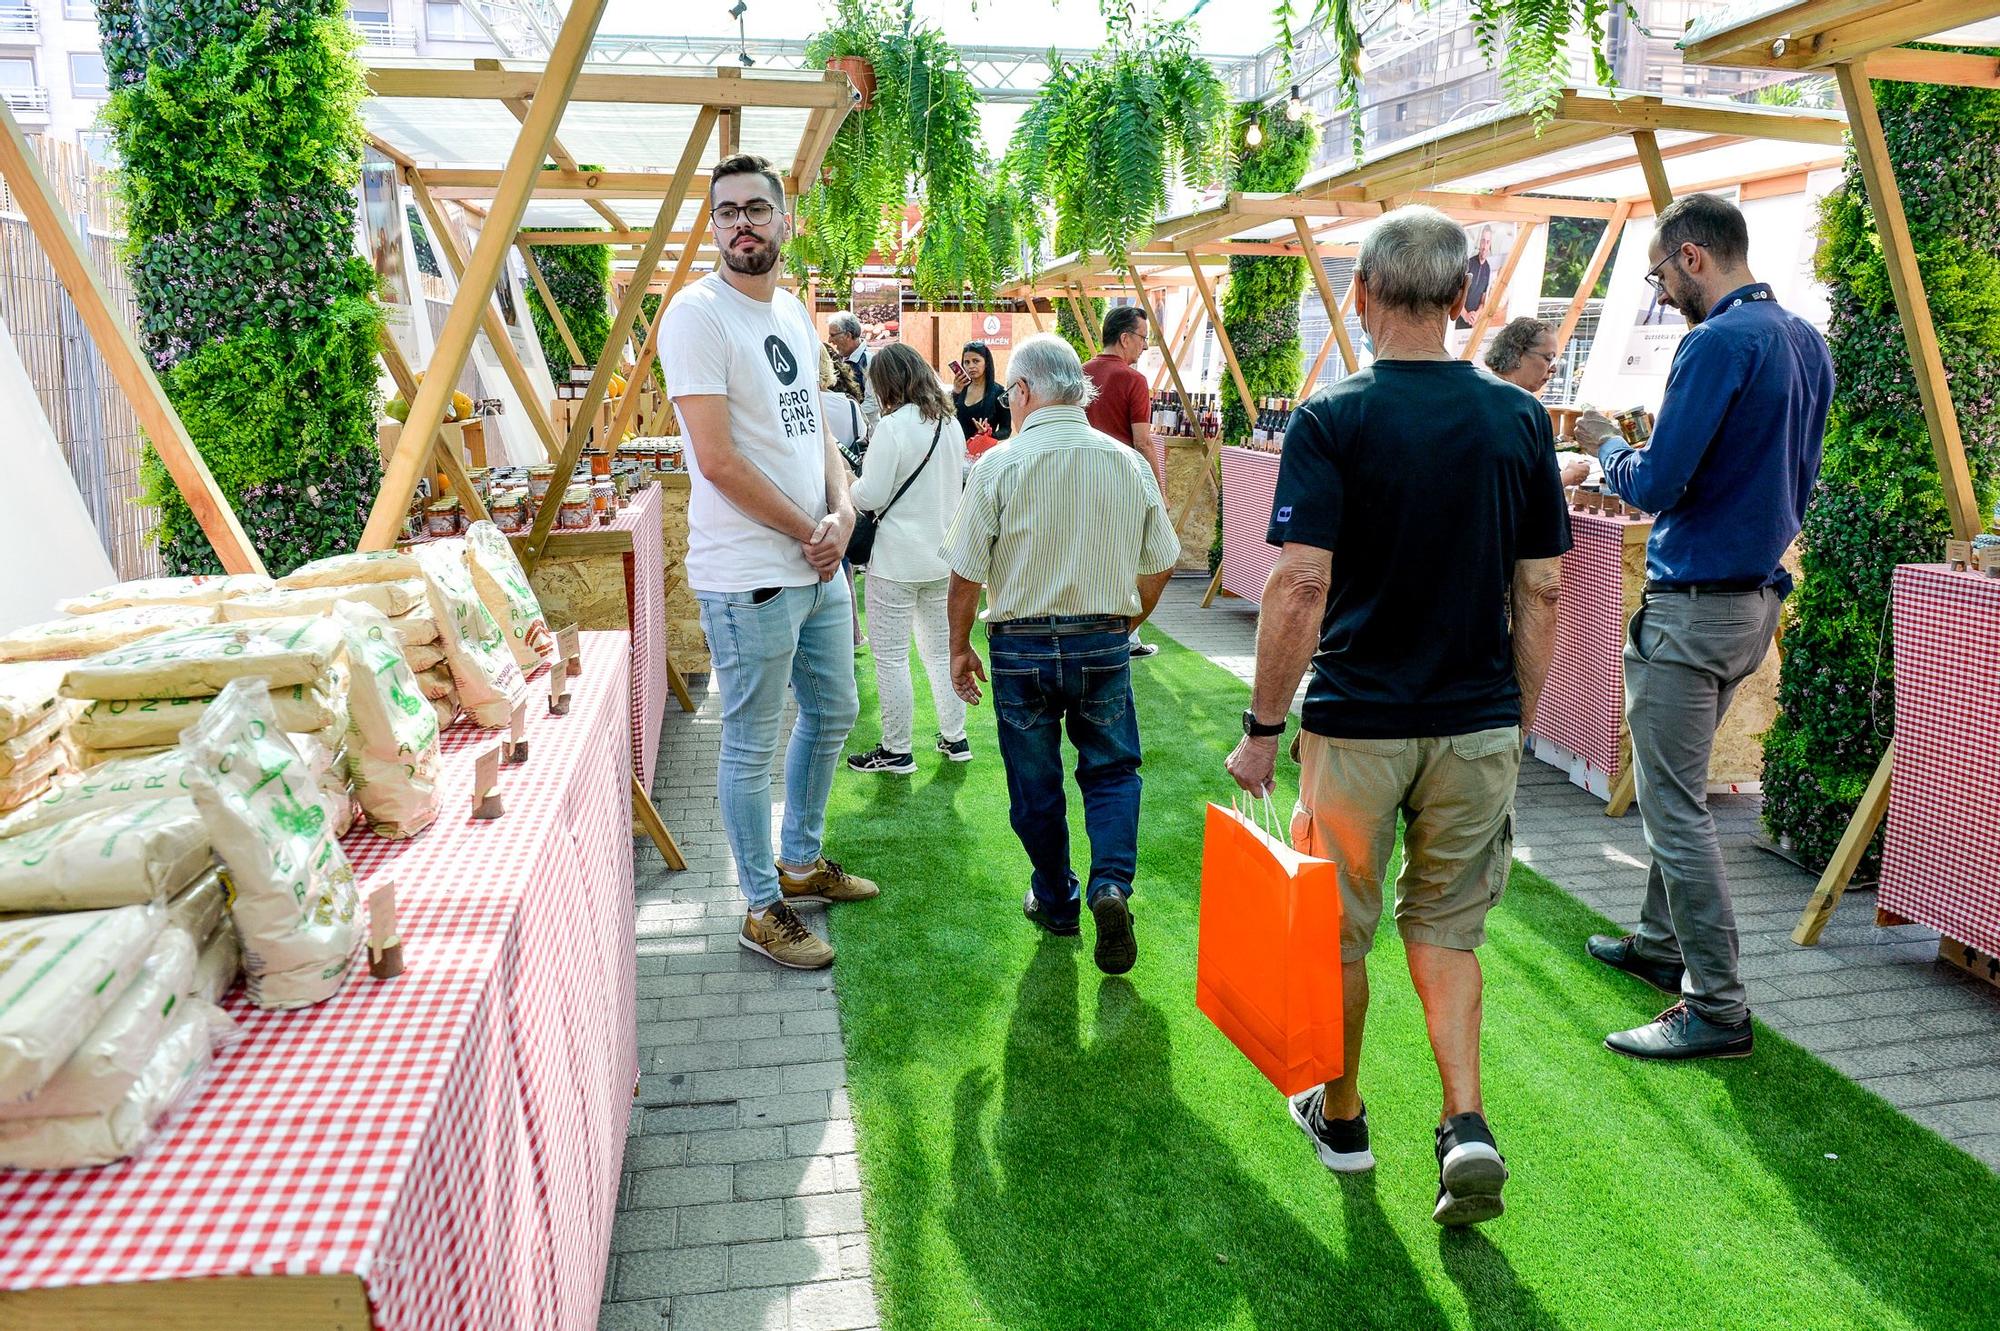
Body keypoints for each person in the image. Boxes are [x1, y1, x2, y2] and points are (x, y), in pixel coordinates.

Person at [1225, 205, 1569, 1228]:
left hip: (1356, 721)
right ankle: (1462, 1120)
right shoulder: (1517, 419)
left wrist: (1258, 725)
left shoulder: (1332, 417)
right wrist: (1517, 718)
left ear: (1362, 297)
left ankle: (1342, 1117)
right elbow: (1542, 589)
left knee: (1337, 935)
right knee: (1447, 931)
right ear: (1463, 299)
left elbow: (1297, 587)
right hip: (1474, 721)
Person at [1580, 193, 1832, 1061]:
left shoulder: (1717, 340)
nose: (1659, 295)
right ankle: (1659, 946)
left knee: (1676, 807)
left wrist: (1606, 444)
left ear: (1692, 257)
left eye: (1657, 274)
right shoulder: (1804, 339)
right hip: (1751, 601)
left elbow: (1653, 484)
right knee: (1675, 788)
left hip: (1695, 607)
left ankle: (1716, 1003)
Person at [659, 153, 879, 972]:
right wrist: (807, 529)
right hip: (750, 570)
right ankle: (759, 904)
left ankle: (801, 857)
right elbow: (714, 459)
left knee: (833, 710)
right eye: (727, 213)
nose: (742, 223)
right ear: (713, 226)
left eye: (757, 208)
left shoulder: (789, 310)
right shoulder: (697, 315)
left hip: (814, 563)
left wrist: (844, 510)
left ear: (787, 222)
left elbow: (813, 431)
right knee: (751, 741)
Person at [943, 333, 1181, 976]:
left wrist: (958, 646)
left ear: (1021, 392)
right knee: (1111, 772)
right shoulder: (1126, 463)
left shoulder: (997, 464)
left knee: (1034, 783)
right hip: (1101, 639)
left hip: (1019, 645)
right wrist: (1125, 620)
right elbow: (1163, 560)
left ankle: (1056, 896)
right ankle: (1110, 886)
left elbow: (965, 574)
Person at [846, 344, 972, 774]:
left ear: (886, 384)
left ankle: (897, 748)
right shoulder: (950, 423)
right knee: (940, 653)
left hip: (896, 562)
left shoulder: (893, 427)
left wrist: (849, 486)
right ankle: (955, 737)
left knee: (893, 658)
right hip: (943, 558)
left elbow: (871, 494)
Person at [1081, 304, 1161, 659]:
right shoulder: (1134, 380)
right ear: (1125, 337)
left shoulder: (1078, 373)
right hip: (1122, 483)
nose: (1144, 346)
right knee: (1130, 561)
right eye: (1143, 338)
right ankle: (1124, 637)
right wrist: (1158, 488)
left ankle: (1089, 626)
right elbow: (1143, 440)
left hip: (1080, 479)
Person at [1486, 317, 1589, 487]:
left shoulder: (1481, 396)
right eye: (1548, 358)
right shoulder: (1523, 408)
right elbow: (1530, 490)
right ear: (1518, 354)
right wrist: (1570, 476)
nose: (1554, 368)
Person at [818, 344, 868, 649]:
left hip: (809, 496)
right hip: (844, 490)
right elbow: (860, 440)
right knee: (842, 561)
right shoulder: (849, 406)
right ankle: (849, 634)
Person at [827, 311, 881, 433]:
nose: (830, 340)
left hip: (866, 435)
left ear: (848, 335)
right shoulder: (837, 358)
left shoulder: (869, 360)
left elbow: (873, 403)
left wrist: (847, 415)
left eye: (833, 335)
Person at [952, 340, 1011, 445]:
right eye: (967, 362)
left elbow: (1006, 429)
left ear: (986, 363)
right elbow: (948, 417)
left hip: (984, 453)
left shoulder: (1000, 393)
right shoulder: (960, 389)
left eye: (976, 361)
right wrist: (955, 392)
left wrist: (988, 435)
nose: (971, 366)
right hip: (957, 450)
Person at [1456, 225, 1494, 330]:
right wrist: (1465, 315)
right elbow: (1456, 295)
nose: (1485, 246)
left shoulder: (1488, 269)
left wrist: (1476, 314)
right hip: (1459, 319)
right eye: (1483, 241)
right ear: (1479, 243)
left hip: (1473, 322)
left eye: (1488, 242)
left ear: (1490, 244)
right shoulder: (1468, 264)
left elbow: (1482, 301)